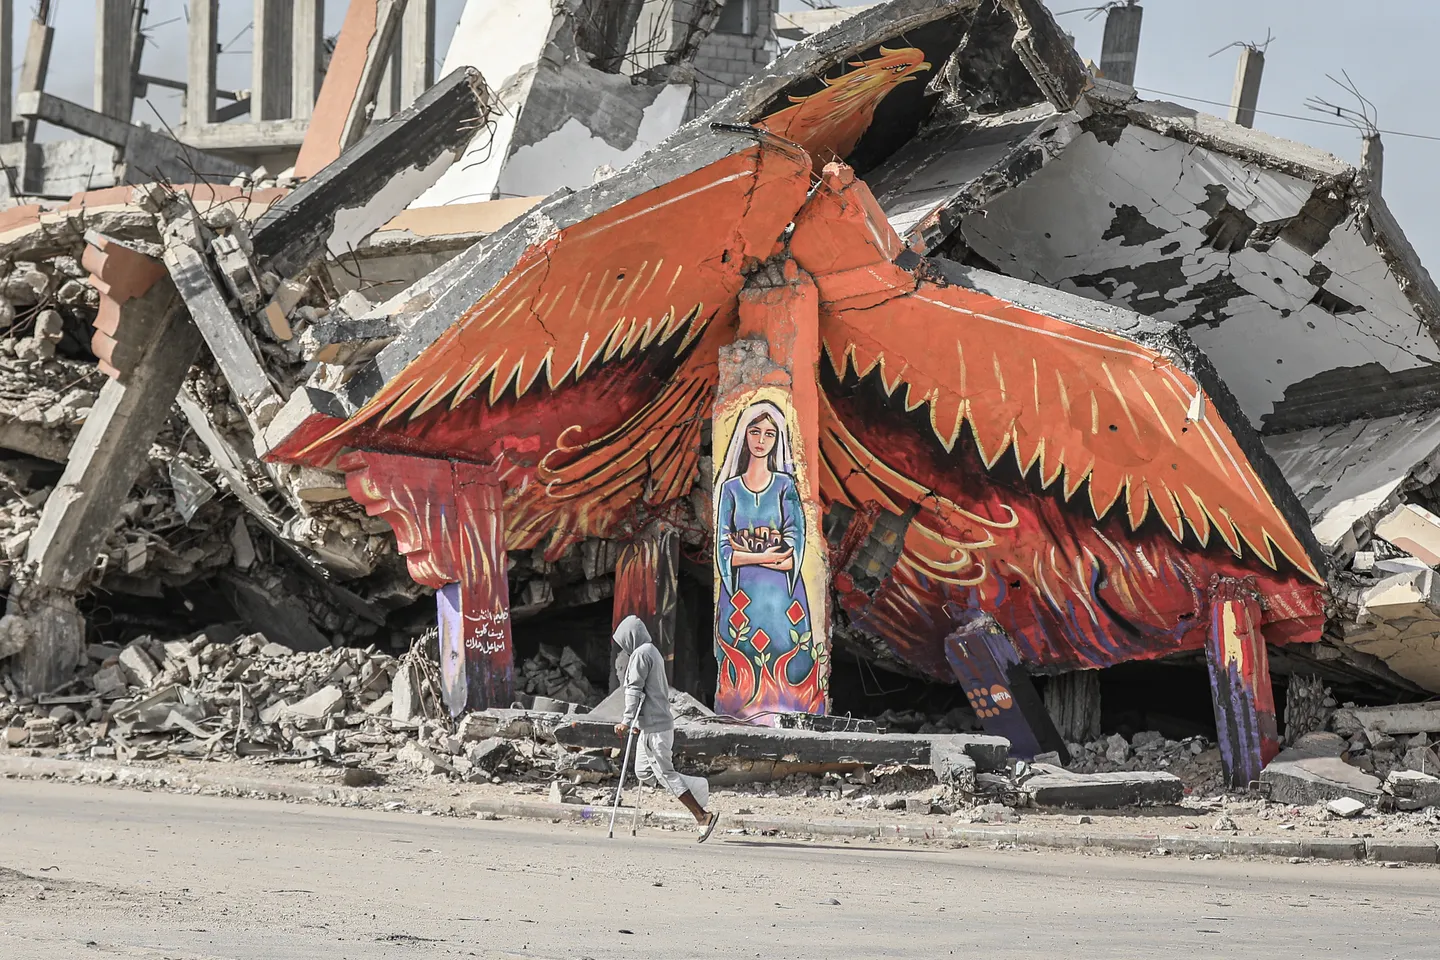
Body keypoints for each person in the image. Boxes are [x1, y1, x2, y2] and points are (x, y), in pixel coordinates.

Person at [612, 615, 720, 842]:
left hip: (656, 729)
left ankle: (702, 816)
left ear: (631, 637)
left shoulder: (641, 655)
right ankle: (697, 787)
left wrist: (626, 720)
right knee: (643, 771)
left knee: (666, 775)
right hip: (652, 726)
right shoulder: (652, 651)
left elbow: (634, 690)